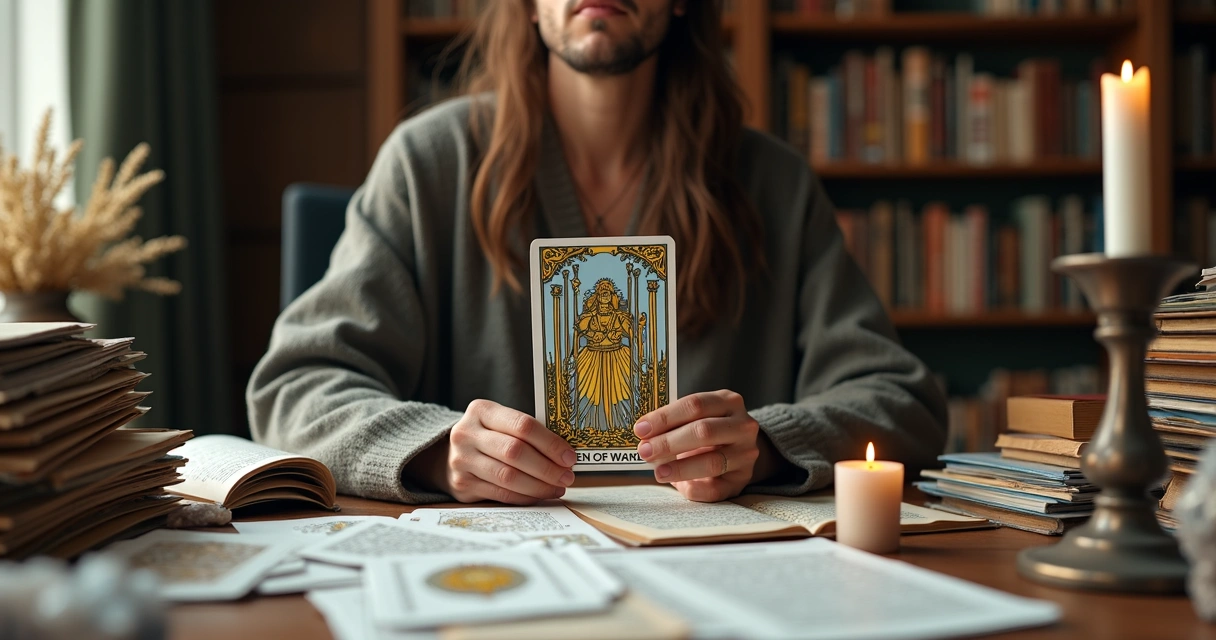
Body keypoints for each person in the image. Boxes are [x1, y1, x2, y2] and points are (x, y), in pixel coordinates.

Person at [248, 0, 947, 505]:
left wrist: (767, 445)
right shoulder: (426, 163)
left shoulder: (773, 183)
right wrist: (436, 453)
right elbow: (297, 387)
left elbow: (901, 400)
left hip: (709, 568)